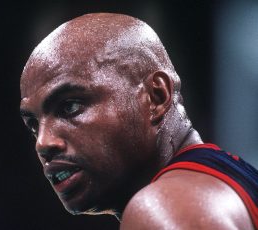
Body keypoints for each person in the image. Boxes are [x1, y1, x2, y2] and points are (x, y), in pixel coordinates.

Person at [19, 13, 258, 229]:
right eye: (33, 125)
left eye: (70, 107)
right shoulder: (226, 184)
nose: (43, 143)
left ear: (156, 96)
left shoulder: (165, 207)